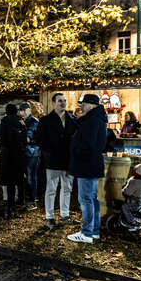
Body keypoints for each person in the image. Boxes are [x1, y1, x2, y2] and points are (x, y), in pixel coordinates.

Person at [67, 94, 106, 244]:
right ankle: (93, 230)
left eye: (83, 104)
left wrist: (75, 150)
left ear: (91, 105)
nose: (81, 106)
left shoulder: (92, 121)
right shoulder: (98, 120)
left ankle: (86, 233)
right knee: (91, 198)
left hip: (86, 165)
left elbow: (88, 144)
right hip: (93, 165)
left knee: (85, 199)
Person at [36, 93, 79, 229]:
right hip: (53, 160)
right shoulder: (45, 120)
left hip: (68, 161)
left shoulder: (72, 119)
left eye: (64, 101)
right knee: (51, 189)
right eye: (60, 101)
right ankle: (49, 217)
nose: (63, 103)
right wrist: (49, 153)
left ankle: (65, 215)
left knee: (67, 188)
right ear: (53, 103)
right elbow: (40, 140)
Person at [0, 103, 27, 219]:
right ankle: (15, 207)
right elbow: (24, 140)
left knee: (9, 183)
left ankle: (8, 209)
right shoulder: (20, 122)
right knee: (18, 181)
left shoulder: (3, 122)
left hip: (6, 156)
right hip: (17, 155)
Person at [19, 103, 40, 211]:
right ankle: (28, 198)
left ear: (28, 110)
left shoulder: (34, 122)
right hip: (25, 152)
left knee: (31, 176)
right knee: (26, 176)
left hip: (32, 153)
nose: (21, 112)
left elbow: (28, 137)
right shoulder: (24, 121)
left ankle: (33, 199)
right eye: (20, 110)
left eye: (23, 110)